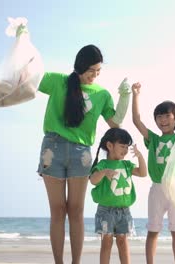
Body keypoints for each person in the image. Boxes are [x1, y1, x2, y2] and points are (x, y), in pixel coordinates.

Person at [36, 44, 131, 264]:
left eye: (98, 71)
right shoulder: (58, 81)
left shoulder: (102, 94)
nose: (95, 76)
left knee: (76, 211)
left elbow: (115, 122)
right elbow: (30, 78)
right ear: (80, 66)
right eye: (91, 71)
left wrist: (125, 96)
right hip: (52, 149)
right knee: (58, 210)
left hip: (82, 154)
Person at [131, 83, 175, 264]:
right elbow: (137, 121)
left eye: (167, 116)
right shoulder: (153, 139)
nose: (162, 120)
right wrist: (135, 95)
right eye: (159, 117)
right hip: (157, 189)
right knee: (153, 230)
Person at [90, 127, 147, 264]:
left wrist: (140, 157)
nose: (125, 150)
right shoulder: (103, 164)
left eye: (127, 147)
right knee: (107, 242)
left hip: (124, 211)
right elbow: (93, 180)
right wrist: (104, 172)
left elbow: (143, 173)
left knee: (123, 242)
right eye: (122, 146)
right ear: (109, 146)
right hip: (106, 211)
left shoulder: (127, 165)